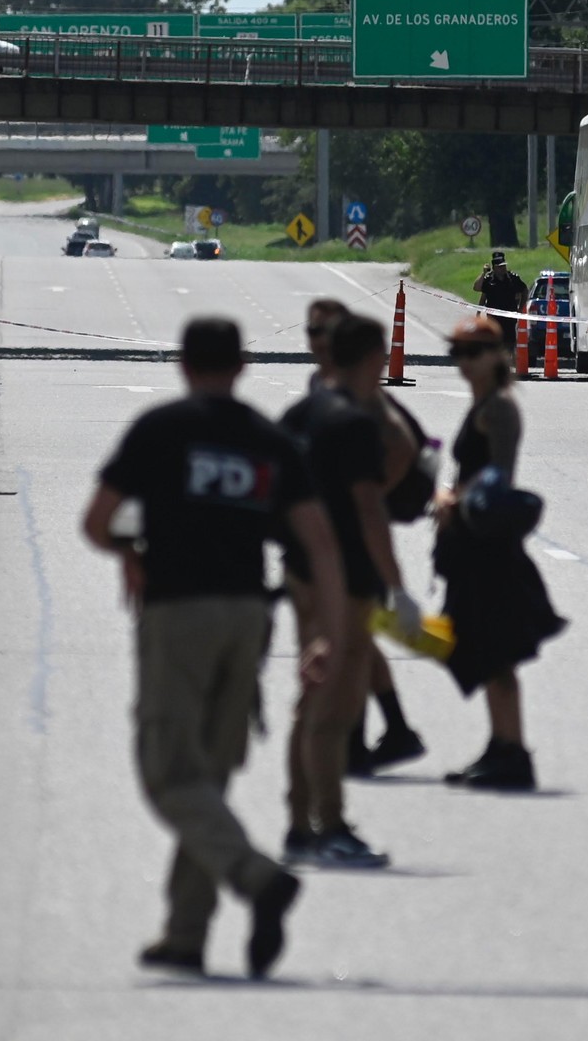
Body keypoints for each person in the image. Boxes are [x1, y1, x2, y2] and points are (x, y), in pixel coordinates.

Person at [81, 316, 336, 979]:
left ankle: (257, 878)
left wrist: (130, 550)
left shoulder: (159, 429)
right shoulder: (269, 441)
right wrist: (327, 634)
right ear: (243, 365)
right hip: (249, 617)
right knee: (209, 775)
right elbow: (319, 542)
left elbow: (97, 521)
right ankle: (186, 933)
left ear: (183, 362)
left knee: (169, 772)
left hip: (178, 612)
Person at [279, 313, 421, 868]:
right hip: (348, 580)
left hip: (301, 573)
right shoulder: (354, 424)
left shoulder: (299, 415)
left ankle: (299, 823)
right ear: (369, 358)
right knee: (336, 707)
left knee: (309, 700)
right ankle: (330, 826)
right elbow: (368, 511)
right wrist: (399, 591)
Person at [432, 315, 567, 789]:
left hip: (490, 547)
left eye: (474, 353)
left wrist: (454, 498)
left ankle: (512, 752)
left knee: (497, 650)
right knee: (482, 648)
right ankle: (499, 744)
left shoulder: (501, 408)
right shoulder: (481, 403)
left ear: (496, 355)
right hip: (471, 542)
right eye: (458, 354)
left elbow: (498, 477)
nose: (465, 363)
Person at [474, 250, 529, 349]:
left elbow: (524, 290)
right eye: (499, 266)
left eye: (504, 266)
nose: (503, 268)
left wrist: (520, 308)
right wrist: (483, 273)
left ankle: (509, 357)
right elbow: (478, 289)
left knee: (509, 344)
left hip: (509, 317)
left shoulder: (513, 278)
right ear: (494, 268)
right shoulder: (489, 280)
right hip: (493, 319)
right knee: (494, 344)